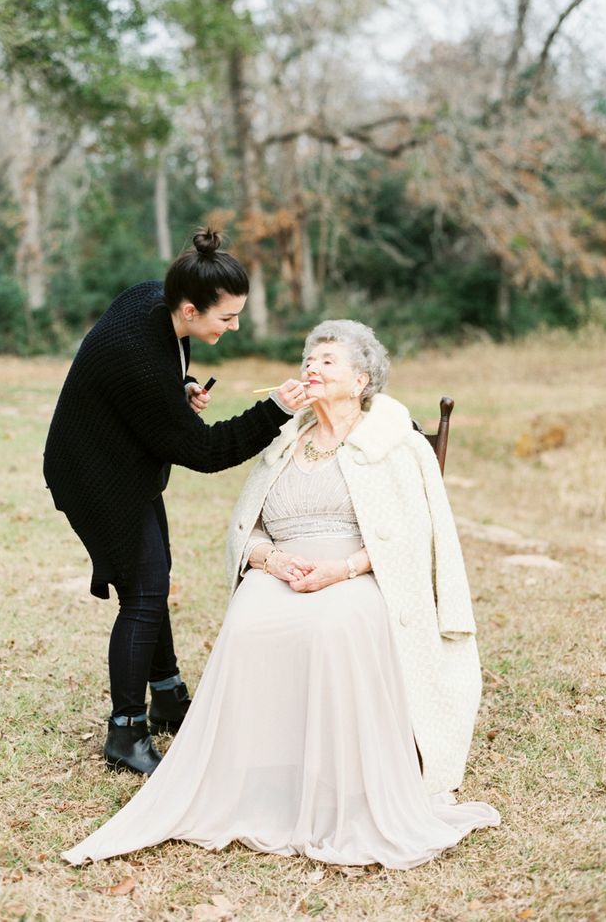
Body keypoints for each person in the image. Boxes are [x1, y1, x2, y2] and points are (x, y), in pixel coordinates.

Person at [62, 319, 499, 869]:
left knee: (333, 626)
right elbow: (250, 525)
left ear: (361, 380)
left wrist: (341, 569)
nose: (312, 367)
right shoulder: (285, 440)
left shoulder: (391, 443)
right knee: (249, 622)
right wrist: (270, 560)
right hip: (282, 567)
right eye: (309, 359)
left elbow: (413, 536)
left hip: (358, 574)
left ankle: (339, 777)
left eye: (328, 361)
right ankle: (262, 774)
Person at [43, 228, 310, 776]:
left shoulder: (152, 298)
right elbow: (205, 451)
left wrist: (179, 386)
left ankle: (166, 698)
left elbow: (151, 379)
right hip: (92, 477)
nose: (234, 327)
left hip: (123, 464)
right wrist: (276, 410)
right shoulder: (138, 353)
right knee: (143, 594)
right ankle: (126, 733)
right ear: (190, 309)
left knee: (153, 579)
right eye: (227, 318)